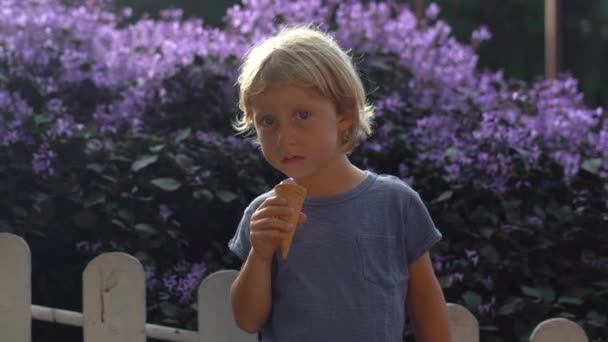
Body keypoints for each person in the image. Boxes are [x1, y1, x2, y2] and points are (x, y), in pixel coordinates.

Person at [228, 25, 451, 341]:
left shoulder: (395, 203)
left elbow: (426, 300)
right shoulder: (264, 215)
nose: (284, 136)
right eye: (268, 121)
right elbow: (248, 321)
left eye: (302, 115)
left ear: (344, 114)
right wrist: (260, 256)